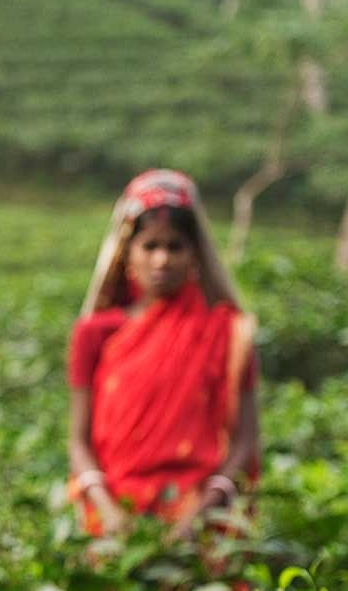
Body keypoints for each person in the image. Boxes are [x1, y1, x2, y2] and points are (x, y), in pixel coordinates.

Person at [67, 170, 260, 542]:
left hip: (198, 514)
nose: (162, 260)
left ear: (194, 256)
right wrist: (107, 510)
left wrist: (202, 512)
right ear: (128, 254)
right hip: (114, 513)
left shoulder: (227, 332)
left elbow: (245, 441)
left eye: (175, 247)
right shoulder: (95, 334)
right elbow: (78, 440)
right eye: (150, 246)